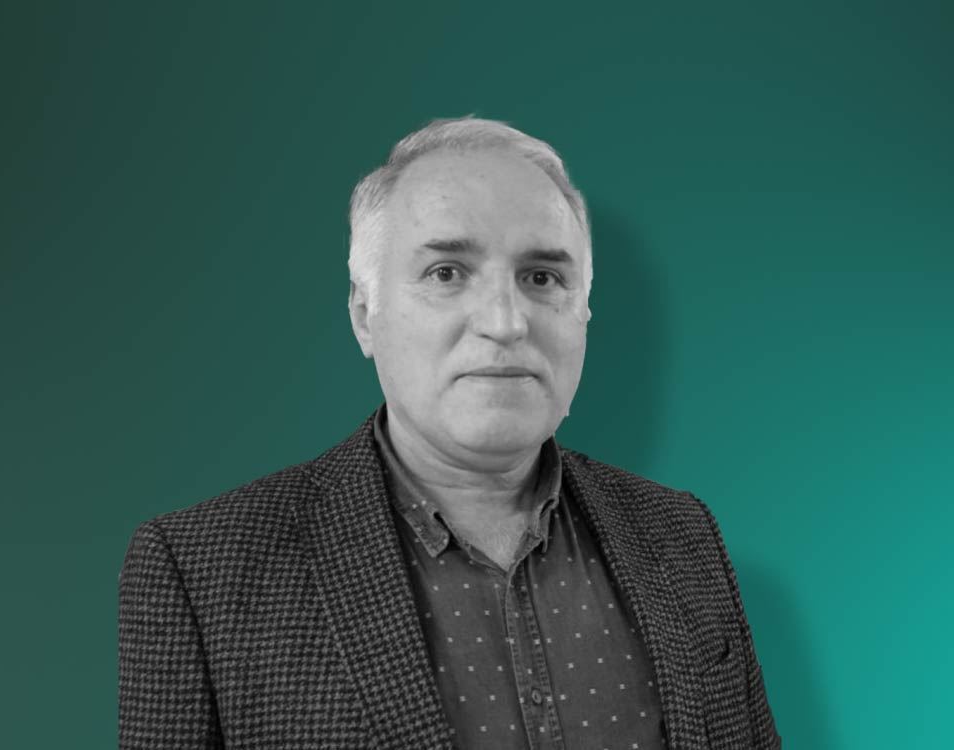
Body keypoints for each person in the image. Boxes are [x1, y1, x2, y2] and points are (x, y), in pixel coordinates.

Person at [118, 116, 781, 749]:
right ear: (364, 315)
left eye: (542, 277)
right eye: (447, 273)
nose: (505, 321)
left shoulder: (682, 534)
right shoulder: (201, 572)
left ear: (582, 312)